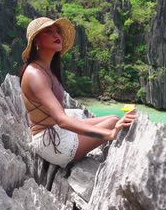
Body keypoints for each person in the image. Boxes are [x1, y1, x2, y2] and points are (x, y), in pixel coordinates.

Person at [19, 17, 137, 168]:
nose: (57, 36)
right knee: (113, 123)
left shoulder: (46, 69)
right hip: (52, 143)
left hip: (56, 131)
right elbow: (62, 120)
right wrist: (108, 135)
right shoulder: (36, 74)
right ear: (37, 41)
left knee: (113, 117)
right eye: (49, 32)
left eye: (58, 32)